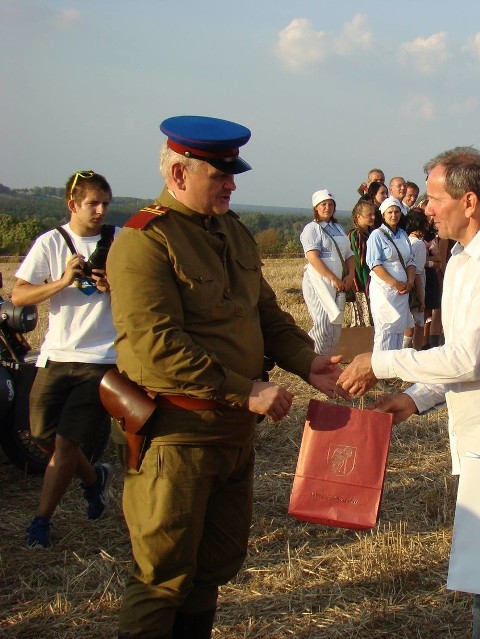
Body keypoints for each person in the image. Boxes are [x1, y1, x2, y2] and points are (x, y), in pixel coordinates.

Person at [107, 115, 343, 639]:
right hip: (177, 439)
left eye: (232, 174)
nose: (232, 184)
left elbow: (265, 315)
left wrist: (309, 361)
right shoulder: (146, 241)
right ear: (178, 174)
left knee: (213, 568)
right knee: (162, 578)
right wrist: (248, 389)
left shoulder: (231, 231)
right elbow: (156, 348)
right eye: (220, 175)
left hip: (233, 435)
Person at [338, 146, 480, 639]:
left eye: (434, 198)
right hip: (478, 444)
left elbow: (469, 359)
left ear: (469, 201)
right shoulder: (460, 259)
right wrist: (414, 398)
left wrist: (380, 363)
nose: (426, 209)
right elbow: (458, 355)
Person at [13, 170, 116, 549]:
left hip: (101, 358)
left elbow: (145, 294)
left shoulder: (120, 242)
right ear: (73, 205)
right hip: (56, 355)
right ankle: (93, 479)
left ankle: (41, 521)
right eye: (94, 203)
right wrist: (63, 281)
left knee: (67, 444)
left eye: (106, 202)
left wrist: (113, 284)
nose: (102, 210)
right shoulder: (51, 243)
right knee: (41, 435)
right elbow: (19, 295)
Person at [299, 189, 355, 355]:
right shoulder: (312, 229)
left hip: (338, 283)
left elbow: (349, 254)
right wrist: (333, 278)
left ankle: (328, 359)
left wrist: (350, 275)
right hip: (319, 282)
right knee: (323, 322)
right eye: (323, 204)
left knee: (335, 324)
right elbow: (313, 257)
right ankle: (310, 358)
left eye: (330, 204)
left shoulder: (338, 227)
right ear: (316, 207)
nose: (327, 208)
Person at [366, 197, 415, 352]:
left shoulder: (402, 234)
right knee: (385, 329)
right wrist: (395, 283)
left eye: (396, 212)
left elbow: (410, 261)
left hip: (402, 291)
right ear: (384, 215)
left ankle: (392, 368)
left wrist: (410, 282)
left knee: (399, 328)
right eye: (390, 212)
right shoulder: (377, 235)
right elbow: (374, 264)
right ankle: (380, 370)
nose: (394, 215)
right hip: (384, 290)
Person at [347, 199, 377, 326]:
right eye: (369, 214)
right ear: (358, 217)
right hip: (361, 285)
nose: (373, 217)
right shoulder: (355, 235)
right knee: (362, 320)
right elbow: (359, 264)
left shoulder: (371, 233)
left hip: (371, 283)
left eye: (373, 214)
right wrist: (365, 285)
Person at [403, 208, 428, 349]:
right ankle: (415, 351)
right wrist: (421, 298)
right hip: (415, 288)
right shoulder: (418, 244)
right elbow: (417, 273)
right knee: (417, 324)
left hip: (406, 287)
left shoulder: (405, 240)